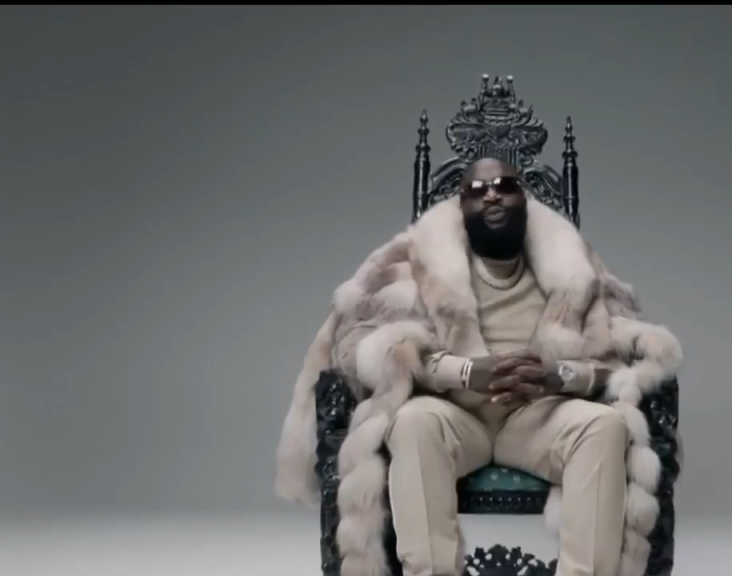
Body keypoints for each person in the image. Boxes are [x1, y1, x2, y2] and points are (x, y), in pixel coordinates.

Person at [274, 158, 683, 576]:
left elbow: (615, 362)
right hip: (455, 413)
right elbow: (361, 347)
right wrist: (466, 372)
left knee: (605, 426)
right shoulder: (419, 265)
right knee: (413, 421)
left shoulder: (574, 270)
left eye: (504, 185)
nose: (491, 194)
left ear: (524, 199)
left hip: (539, 416)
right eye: (476, 189)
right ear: (460, 205)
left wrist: (558, 376)